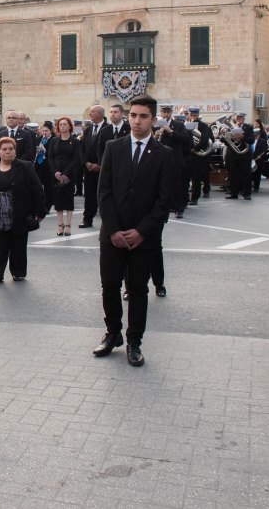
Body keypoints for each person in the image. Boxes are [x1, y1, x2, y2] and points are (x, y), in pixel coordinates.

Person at [93, 95, 175, 367]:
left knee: (138, 290)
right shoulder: (113, 148)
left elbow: (164, 201)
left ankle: (134, 341)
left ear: (153, 119)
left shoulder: (164, 154)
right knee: (109, 286)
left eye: (143, 116)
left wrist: (141, 232)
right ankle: (113, 333)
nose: (136, 121)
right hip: (112, 235)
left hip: (144, 238)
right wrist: (114, 230)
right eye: (133, 116)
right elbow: (103, 192)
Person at [0, 136, 45, 284]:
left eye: (11, 149)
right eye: (4, 149)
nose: (8, 152)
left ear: (15, 151)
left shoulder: (25, 167)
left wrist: (39, 212)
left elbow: (37, 190)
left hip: (20, 212)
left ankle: (18, 272)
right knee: (0, 246)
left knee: (18, 245)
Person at [48, 117, 80, 235]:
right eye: (60, 124)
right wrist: (55, 172)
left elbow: (76, 159)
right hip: (56, 174)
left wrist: (65, 173)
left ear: (70, 126)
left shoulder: (75, 141)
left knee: (68, 199)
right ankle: (60, 225)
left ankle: (68, 225)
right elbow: (50, 157)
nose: (62, 126)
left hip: (69, 175)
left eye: (65, 124)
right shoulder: (54, 141)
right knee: (58, 200)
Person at [79, 105, 106, 228]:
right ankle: (87, 219)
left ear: (99, 114)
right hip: (89, 169)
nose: (90, 114)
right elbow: (82, 149)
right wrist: (86, 162)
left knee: (104, 195)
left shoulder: (108, 129)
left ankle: (107, 221)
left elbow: (108, 150)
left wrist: (100, 165)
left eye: (92, 112)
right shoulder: (87, 130)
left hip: (103, 169)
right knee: (89, 195)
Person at [34, 121, 55, 215]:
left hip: (48, 166)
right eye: (43, 131)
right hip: (38, 165)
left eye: (46, 131)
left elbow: (54, 153)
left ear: (51, 131)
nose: (44, 133)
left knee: (48, 188)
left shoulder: (54, 140)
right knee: (37, 186)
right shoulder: (39, 139)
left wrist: (45, 150)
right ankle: (39, 205)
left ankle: (47, 206)